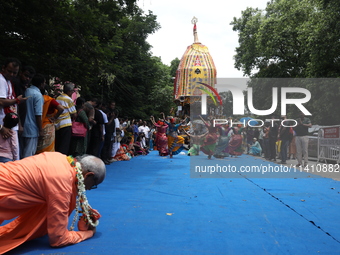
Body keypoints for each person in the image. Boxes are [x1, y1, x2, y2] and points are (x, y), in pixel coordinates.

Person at [0, 152, 106, 254]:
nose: (89, 189)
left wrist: (85, 209)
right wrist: (88, 233)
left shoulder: (59, 157)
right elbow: (58, 239)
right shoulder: (62, 186)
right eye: (93, 185)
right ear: (88, 176)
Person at [0, 58, 27, 159]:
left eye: (14, 73)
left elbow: (13, 107)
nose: (11, 74)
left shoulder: (8, 81)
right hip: (4, 126)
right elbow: (1, 101)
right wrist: (17, 100)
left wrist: (19, 123)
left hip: (9, 125)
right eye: (9, 71)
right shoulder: (1, 80)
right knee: (9, 154)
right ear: (3, 68)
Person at [21, 73, 44, 158]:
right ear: (41, 84)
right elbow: (38, 114)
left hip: (22, 126)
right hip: (32, 128)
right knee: (29, 154)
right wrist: (40, 130)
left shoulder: (26, 91)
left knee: (20, 152)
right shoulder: (38, 95)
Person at [36, 89, 65, 154]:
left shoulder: (37, 98)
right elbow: (61, 108)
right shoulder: (50, 100)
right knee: (48, 149)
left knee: (38, 148)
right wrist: (55, 117)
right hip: (48, 125)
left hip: (38, 124)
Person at [55, 82, 77, 155]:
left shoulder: (58, 98)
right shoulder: (68, 99)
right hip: (66, 124)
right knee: (65, 145)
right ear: (69, 91)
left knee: (58, 143)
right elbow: (74, 114)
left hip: (57, 124)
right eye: (72, 91)